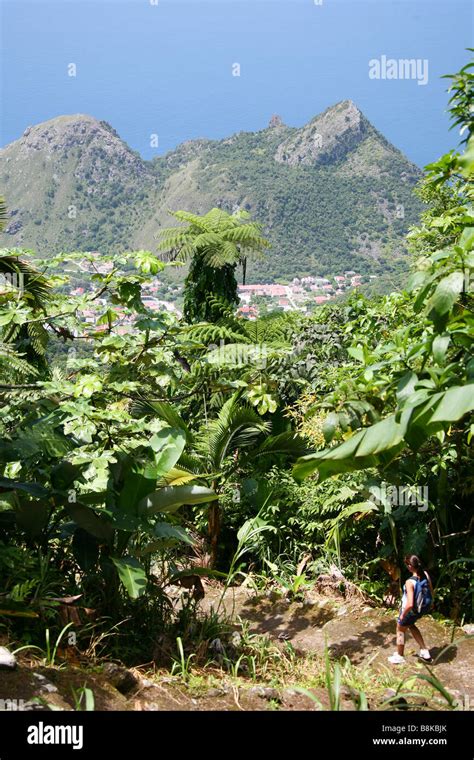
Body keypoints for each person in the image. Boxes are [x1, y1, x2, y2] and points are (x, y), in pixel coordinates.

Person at [388, 554, 433, 665]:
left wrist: (402, 615)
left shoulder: (410, 582)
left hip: (412, 610)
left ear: (410, 566)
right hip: (422, 608)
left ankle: (399, 656)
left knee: (400, 630)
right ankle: (424, 651)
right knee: (411, 625)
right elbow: (431, 590)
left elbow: (410, 604)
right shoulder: (425, 574)